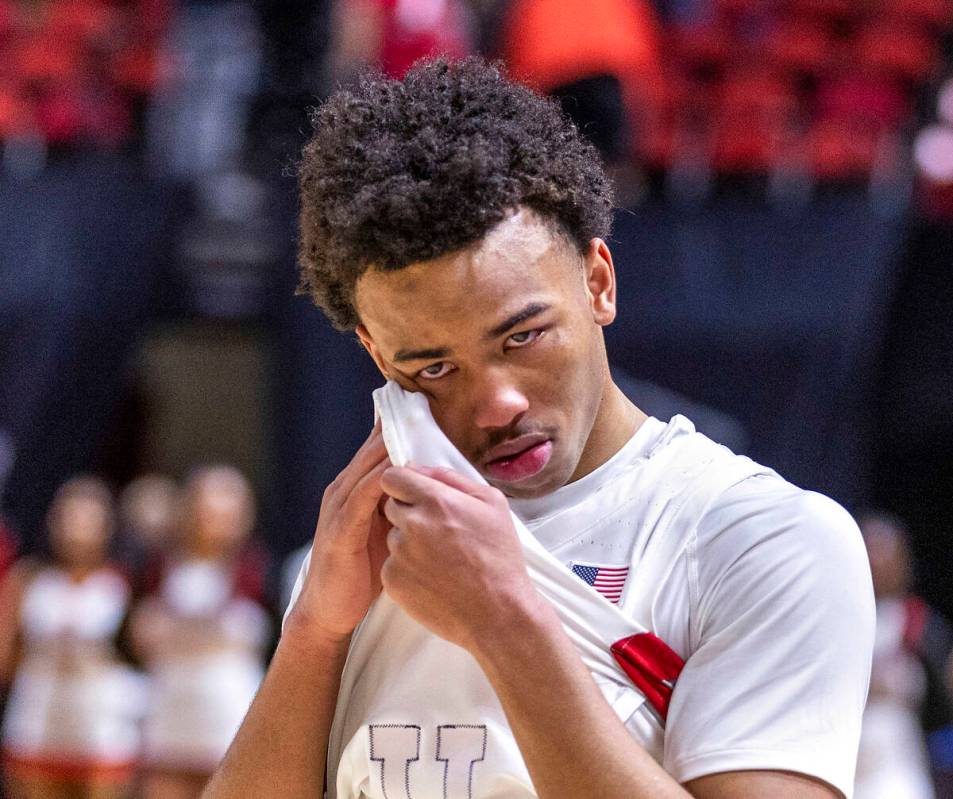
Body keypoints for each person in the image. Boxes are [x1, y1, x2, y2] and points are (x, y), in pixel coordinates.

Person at [204, 57, 874, 799]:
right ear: (374, 352)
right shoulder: (360, 554)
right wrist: (312, 633)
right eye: (431, 368)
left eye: (521, 337)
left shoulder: (763, 539)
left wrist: (505, 621)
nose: (496, 404)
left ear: (598, 283)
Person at [0, 476, 145, 799]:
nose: (77, 531)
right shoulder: (28, 579)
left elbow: (141, 657)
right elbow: (6, 658)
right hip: (36, 724)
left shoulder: (122, 584)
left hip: (100, 728)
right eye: (69, 519)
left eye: (88, 521)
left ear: (107, 526)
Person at [133, 465, 270, 799]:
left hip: (229, 709)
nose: (216, 516)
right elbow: (137, 636)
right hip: (171, 707)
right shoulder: (159, 565)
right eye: (207, 506)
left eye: (227, 507)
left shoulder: (259, 569)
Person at [854, 511, 953, 799]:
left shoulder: (921, 625)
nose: (876, 560)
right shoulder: (835, 620)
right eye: (869, 547)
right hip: (844, 760)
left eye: (884, 549)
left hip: (900, 770)